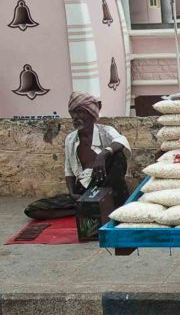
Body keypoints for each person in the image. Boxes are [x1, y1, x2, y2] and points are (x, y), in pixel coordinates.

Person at [24, 92, 131, 221]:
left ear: (91, 114)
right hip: (83, 190)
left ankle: (101, 205)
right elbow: (68, 170)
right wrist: (72, 192)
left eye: (80, 112)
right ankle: (85, 208)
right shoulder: (70, 139)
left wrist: (103, 155)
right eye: (73, 113)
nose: (75, 117)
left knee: (117, 156)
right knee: (34, 209)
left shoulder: (106, 131)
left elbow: (121, 140)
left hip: (105, 187)